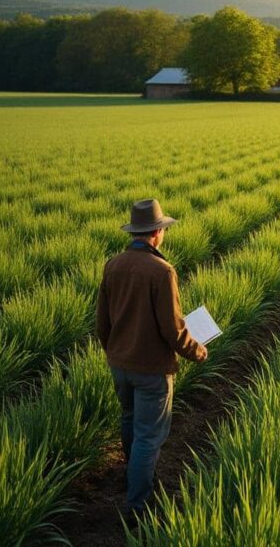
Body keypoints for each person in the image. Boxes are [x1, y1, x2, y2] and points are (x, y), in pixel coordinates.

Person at [96, 198, 208, 516]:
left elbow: (101, 322)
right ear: (157, 233)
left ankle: (134, 476)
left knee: (130, 420)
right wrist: (196, 350)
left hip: (120, 364)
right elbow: (173, 329)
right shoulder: (162, 271)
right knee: (149, 435)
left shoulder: (113, 265)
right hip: (151, 370)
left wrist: (114, 351)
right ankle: (138, 505)